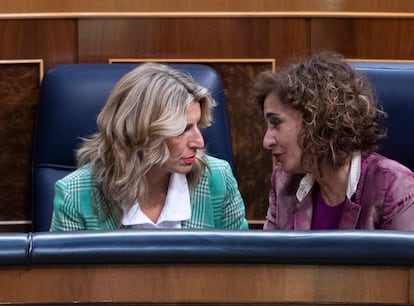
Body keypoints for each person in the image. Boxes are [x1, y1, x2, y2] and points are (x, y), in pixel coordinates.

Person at [50, 62, 248, 231]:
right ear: (140, 133)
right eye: (182, 129)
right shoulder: (75, 194)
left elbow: (242, 267)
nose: (199, 143)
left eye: (197, 126)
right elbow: (65, 277)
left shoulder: (218, 179)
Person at [251, 51, 414, 230]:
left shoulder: (395, 188)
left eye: (276, 123)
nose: (266, 141)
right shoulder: (283, 183)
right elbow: (272, 256)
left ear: (314, 118)